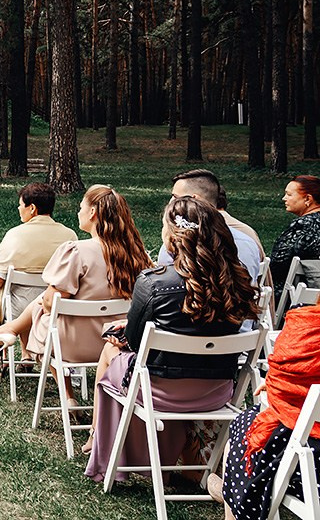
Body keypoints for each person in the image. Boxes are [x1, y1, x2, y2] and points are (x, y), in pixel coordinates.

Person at [83, 196, 259, 482]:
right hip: (217, 390)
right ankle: (186, 457)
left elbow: (138, 345)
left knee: (110, 352)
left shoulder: (153, 282)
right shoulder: (238, 283)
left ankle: (99, 443)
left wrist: (123, 334)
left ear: (172, 236)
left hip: (160, 392)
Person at [0, 185, 149, 369]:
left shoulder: (77, 251)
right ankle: (11, 330)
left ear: (92, 212)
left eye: (80, 208)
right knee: (47, 300)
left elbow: (51, 302)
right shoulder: (139, 255)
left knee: (46, 304)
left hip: (71, 344)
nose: (78, 213)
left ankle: (67, 395)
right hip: (119, 339)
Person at [216, 292, 320, 520]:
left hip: (309, 472)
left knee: (247, 425)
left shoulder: (306, 328)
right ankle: (227, 493)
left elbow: (285, 384)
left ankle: (232, 503)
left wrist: (278, 386)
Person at [0, 182, 78, 322]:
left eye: (21, 205)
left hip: (18, 309)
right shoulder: (70, 236)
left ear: (32, 208)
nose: (18, 208)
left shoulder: (15, 234)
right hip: (56, 306)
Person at [156, 169, 261, 287]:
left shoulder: (174, 245)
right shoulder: (247, 242)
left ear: (194, 199)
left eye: (175, 197)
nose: (171, 202)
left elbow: (164, 286)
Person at [269, 175, 320, 299]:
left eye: (289, 194)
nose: (284, 198)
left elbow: (276, 265)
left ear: (308, 199)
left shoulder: (302, 226)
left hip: (296, 297)